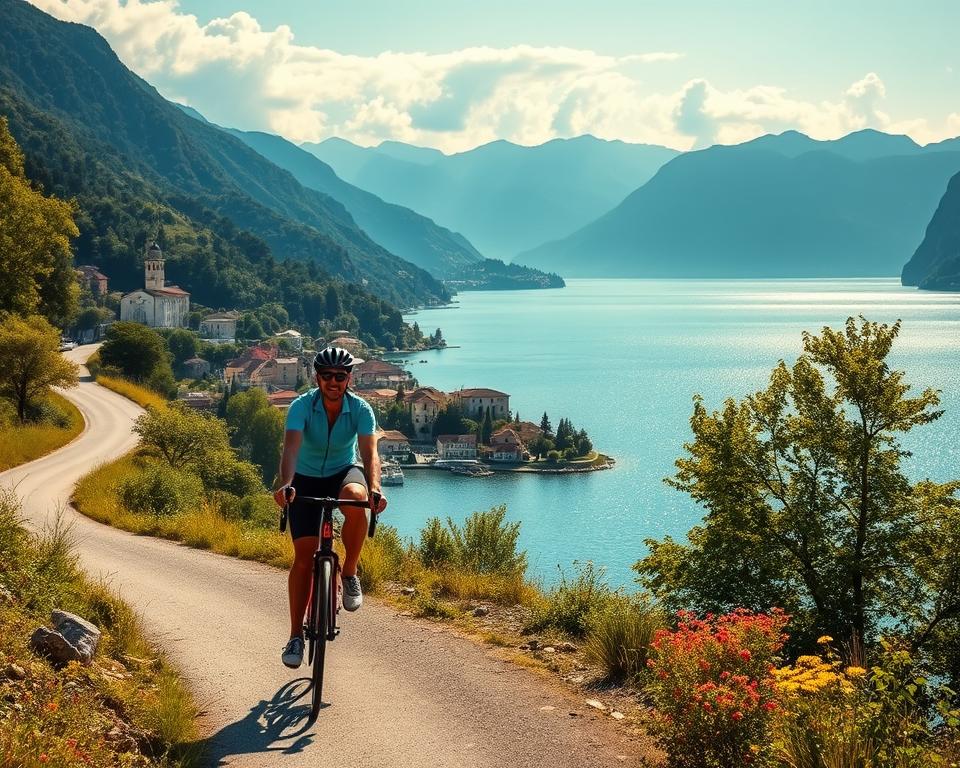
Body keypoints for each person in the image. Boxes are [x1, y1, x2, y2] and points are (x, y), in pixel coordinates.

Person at [273, 346, 387, 669]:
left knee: (356, 498)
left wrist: (375, 489)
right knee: (303, 559)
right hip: (305, 478)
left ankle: (349, 571)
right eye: (326, 376)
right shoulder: (301, 406)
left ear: (349, 378)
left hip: (342, 472)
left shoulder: (361, 409)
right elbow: (290, 449)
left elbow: (370, 454)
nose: (333, 382)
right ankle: (295, 636)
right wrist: (286, 484)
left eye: (340, 376)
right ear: (317, 378)